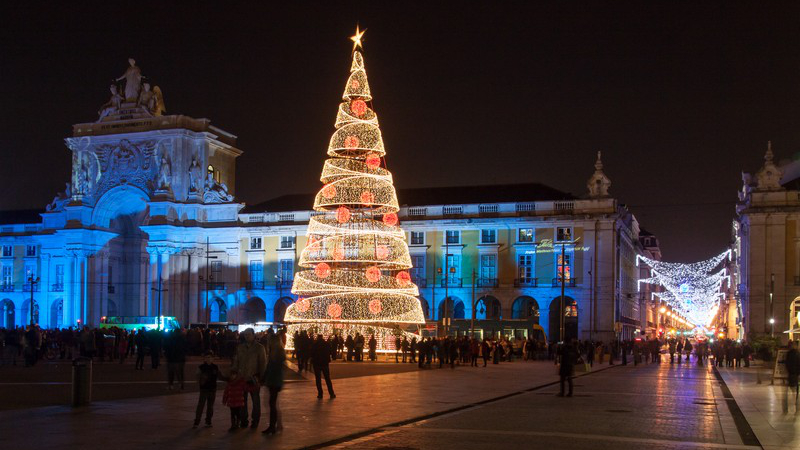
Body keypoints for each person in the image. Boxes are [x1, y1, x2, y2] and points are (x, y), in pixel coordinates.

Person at [231, 328, 266, 429]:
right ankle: (244, 420)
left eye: (249, 335)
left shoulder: (259, 348)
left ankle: (255, 421)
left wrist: (261, 377)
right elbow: (236, 361)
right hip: (241, 378)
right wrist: (233, 372)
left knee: (255, 401)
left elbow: (263, 363)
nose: (247, 337)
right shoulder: (240, 347)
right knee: (242, 401)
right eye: (245, 335)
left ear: (253, 335)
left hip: (254, 378)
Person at [262, 334, 285, 435]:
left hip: (275, 380)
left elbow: (274, 367)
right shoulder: (275, 351)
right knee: (272, 403)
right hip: (273, 380)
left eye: (269, 340)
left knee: (272, 403)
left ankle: (273, 426)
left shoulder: (278, 352)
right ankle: (277, 425)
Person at [194, 352, 219, 428]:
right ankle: (197, 421)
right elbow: (197, 376)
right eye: (207, 357)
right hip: (204, 389)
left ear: (213, 358)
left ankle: (208, 421)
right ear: (204, 359)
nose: (208, 359)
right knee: (201, 405)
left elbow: (219, 375)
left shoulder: (215, 367)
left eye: (210, 357)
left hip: (212, 389)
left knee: (210, 406)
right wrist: (201, 380)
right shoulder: (201, 367)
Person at [311, 334, 336, 399]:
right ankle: (331, 393)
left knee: (318, 379)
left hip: (317, 363)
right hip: (324, 363)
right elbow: (330, 352)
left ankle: (320, 394)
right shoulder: (326, 344)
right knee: (327, 379)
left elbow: (312, 353)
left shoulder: (315, 344)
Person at [784, 341, 800, 413]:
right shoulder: (797, 354)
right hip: (795, 374)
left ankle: (788, 408)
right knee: (795, 391)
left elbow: (787, 364)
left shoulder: (789, 353)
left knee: (791, 391)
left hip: (791, 374)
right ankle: (796, 406)